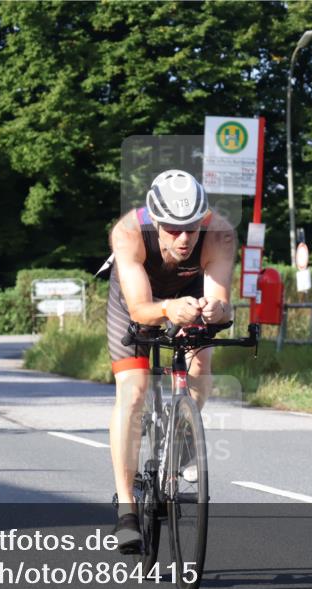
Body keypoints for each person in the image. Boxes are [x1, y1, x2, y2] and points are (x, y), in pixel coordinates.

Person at [101, 170, 236, 552]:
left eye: (192, 229)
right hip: (135, 301)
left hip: (189, 295)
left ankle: (184, 432)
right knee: (134, 391)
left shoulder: (219, 233)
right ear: (156, 221)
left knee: (200, 363)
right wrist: (167, 309)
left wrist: (217, 310)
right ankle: (127, 509)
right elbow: (140, 309)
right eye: (174, 229)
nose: (184, 239)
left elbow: (223, 303)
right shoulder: (129, 232)